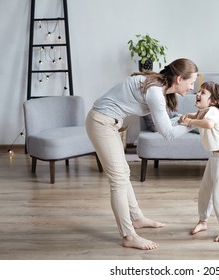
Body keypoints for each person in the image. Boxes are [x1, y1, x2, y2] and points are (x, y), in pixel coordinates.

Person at [85, 58, 198, 250]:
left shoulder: (159, 88)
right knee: (118, 180)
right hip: (101, 123)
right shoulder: (155, 91)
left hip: (108, 123)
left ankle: (136, 218)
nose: (193, 87)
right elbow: (168, 134)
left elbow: (165, 123)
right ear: (179, 79)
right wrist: (192, 124)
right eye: (192, 82)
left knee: (123, 174)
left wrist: (184, 120)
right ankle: (128, 236)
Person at [179, 81, 219, 242]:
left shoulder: (213, 111)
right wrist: (188, 116)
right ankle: (203, 221)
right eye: (198, 91)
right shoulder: (204, 111)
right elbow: (196, 116)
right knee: (205, 191)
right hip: (214, 158)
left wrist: (189, 122)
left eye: (203, 93)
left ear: (213, 101)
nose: (197, 94)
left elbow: (208, 124)